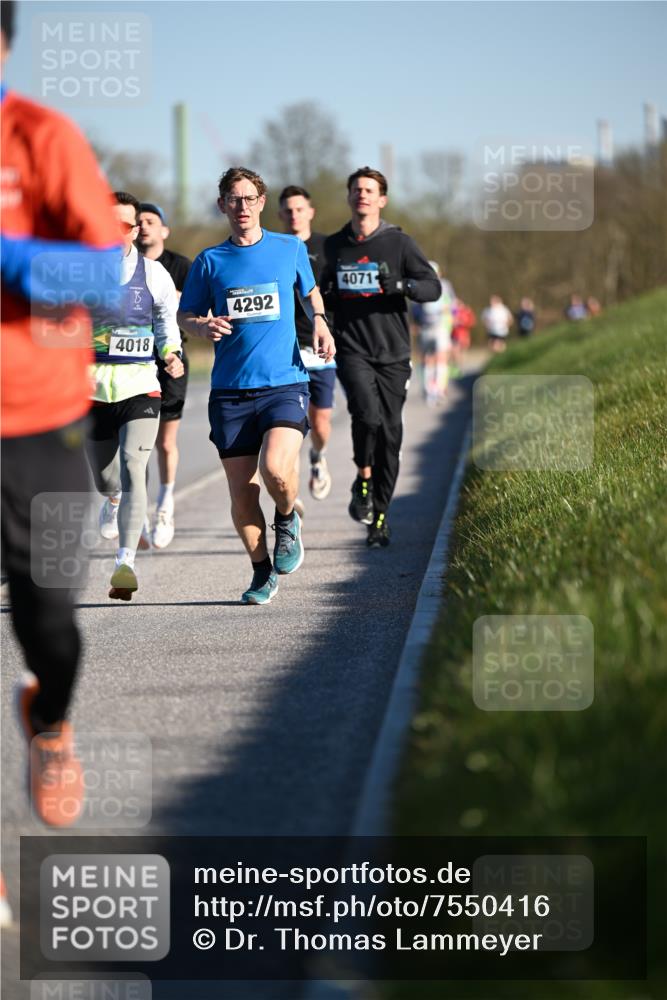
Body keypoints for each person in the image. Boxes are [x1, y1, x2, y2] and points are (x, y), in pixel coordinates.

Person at [1, 0, 121, 826]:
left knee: (50, 619)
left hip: (35, 422)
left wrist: (8, 257)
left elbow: (105, 281)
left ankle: (50, 722)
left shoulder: (40, 137)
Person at [177, 167, 335, 605]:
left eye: (249, 198)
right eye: (234, 199)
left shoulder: (289, 248)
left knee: (276, 470)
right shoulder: (210, 261)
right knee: (243, 494)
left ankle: (287, 517)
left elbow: (311, 291)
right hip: (229, 391)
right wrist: (201, 325)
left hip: (284, 382)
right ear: (222, 205)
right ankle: (262, 572)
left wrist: (319, 321)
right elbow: (184, 315)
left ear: (262, 202)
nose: (242, 206)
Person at [321, 167, 440, 547]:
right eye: (356, 189)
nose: (363, 195)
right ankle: (363, 475)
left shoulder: (399, 243)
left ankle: (381, 516)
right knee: (366, 415)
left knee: (390, 432)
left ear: (381, 199)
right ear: (349, 197)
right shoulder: (334, 246)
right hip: (352, 347)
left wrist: (402, 285)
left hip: (393, 352)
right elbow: (318, 294)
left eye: (370, 190)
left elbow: (432, 287)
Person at [89, 191, 184, 601]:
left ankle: (125, 561)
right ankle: (110, 499)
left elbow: (166, 322)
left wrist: (171, 352)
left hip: (140, 384)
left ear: (134, 229)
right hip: (89, 390)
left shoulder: (155, 274)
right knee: (107, 477)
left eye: (125, 225)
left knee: (133, 464)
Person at [136, 202, 192, 548]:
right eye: (138, 221)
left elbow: (194, 308)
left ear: (164, 230)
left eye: (150, 221)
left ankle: (166, 503)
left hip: (171, 360)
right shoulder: (122, 263)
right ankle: (137, 511)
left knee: (165, 442)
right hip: (131, 360)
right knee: (135, 444)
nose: (143, 226)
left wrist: (169, 297)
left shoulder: (179, 266)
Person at [278, 185, 335, 501]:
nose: (293, 214)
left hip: (320, 345)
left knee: (320, 421)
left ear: (310, 212)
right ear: (279, 215)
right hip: (287, 346)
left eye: (299, 209)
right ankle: (290, 486)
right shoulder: (275, 247)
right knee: (290, 423)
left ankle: (319, 455)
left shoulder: (328, 247)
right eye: (287, 210)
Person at [411, 260, 455, 405]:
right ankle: (428, 389)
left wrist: (449, 315)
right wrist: (416, 323)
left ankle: (440, 389)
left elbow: (453, 305)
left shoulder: (445, 285)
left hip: (441, 326)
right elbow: (415, 307)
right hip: (425, 327)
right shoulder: (419, 286)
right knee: (427, 359)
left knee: (441, 358)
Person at [450, 298, 476, 373]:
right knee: (455, 351)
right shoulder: (452, 312)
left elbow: (472, 322)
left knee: (462, 352)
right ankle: (457, 367)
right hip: (454, 334)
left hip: (463, 334)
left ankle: (460, 368)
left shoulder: (466, 311)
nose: (457, 305)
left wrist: (462, 322)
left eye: (458, 304)